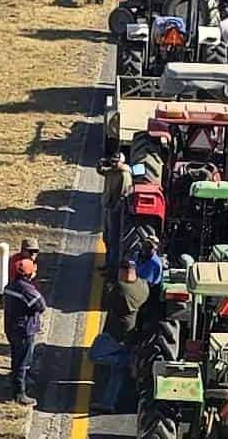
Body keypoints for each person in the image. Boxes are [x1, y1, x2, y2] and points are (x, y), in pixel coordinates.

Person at [90, 258, 147, 414]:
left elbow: (106, 303)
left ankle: (127, 361)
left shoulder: (120, 289)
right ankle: (108, 403)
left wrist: (110, 287)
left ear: (122, 272)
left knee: (94, 355)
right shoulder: (142, 285)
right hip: (130, 333)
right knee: (117, 373)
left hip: (115, 333)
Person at [2, 257, 46, 405]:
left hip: (11, 328)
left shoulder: (10, 286)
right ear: (28, 274)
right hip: (24, 329)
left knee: (16, 358)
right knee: (23, 361)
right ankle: (20, 394)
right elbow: (41, 305)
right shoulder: (27, 289)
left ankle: (15, 385)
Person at [97, 152, 131, 275]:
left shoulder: (124, 174)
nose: (114, 164)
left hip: (115, 211)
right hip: (108, 208)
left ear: (122, 162)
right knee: (107, 238)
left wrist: (115, 208)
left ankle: (112, 269)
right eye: (112, 161)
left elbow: (123, 195)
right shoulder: (111, 171)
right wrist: (100, 164)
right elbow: (101, 172)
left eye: (116, 162)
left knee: (114, 240)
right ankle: (108, 264)